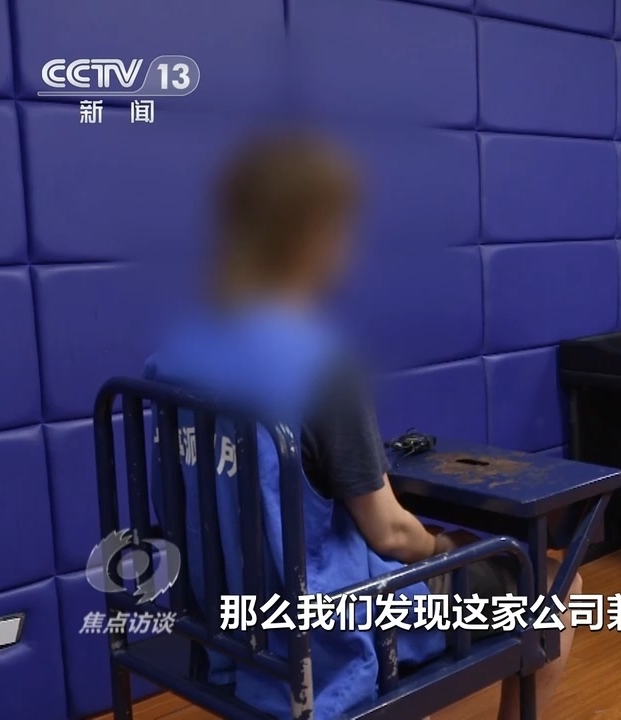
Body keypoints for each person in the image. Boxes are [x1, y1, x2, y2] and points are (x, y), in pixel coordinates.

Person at [143, 129, 579, 720]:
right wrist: (444, 546)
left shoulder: (176, 354)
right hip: (326, 628)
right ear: (314, 236)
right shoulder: (321, 365)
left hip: (218, 623)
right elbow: (391, 535)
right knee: (552, 579)